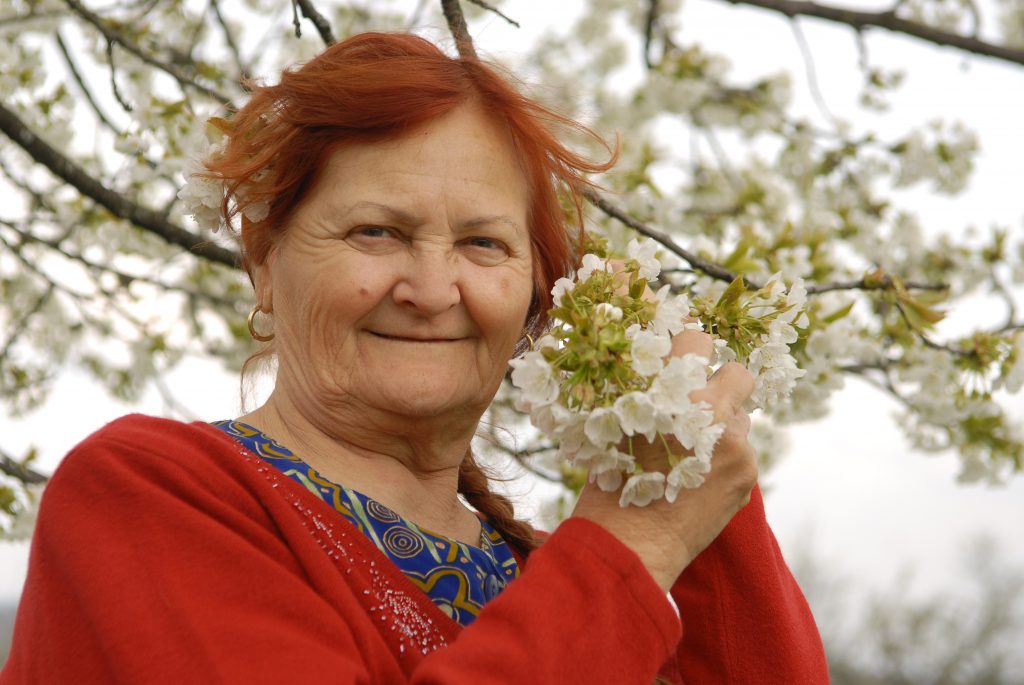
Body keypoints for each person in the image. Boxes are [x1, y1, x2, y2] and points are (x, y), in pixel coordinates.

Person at [1, 33, 827, 684]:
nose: (433, 288)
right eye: (377, 232)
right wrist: (638, 547)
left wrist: (690, 463)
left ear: (539, 295)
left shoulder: (554, 569)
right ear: (264, 260)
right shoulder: (147, 497)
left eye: (482, 243)